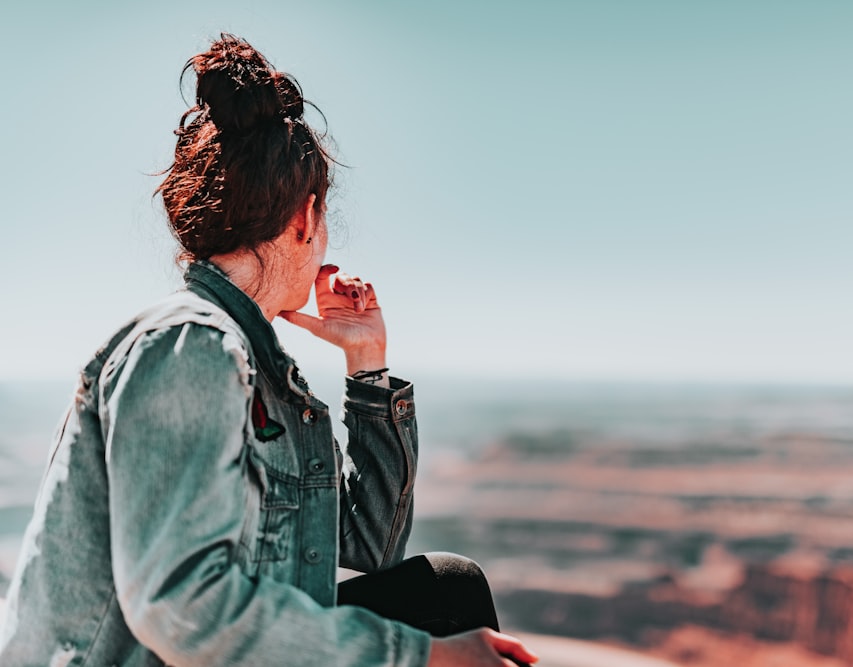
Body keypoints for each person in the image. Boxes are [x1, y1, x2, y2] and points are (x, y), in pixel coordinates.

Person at [0, 34, 537, 667]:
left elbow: (371, 547)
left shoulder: (267, 382)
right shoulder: (189, 347)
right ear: (306, 218)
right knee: (446, 616)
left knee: (447, 590)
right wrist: (414, 657)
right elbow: (182, 607)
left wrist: (368, 366)